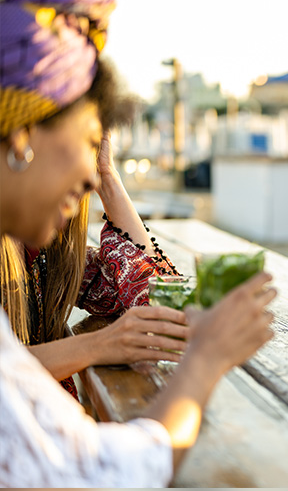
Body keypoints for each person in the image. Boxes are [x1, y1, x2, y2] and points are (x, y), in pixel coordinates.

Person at [0, 0, 276, 487]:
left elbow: (148, 292)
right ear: (22, 136)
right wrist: (200, 362)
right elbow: (108, 474)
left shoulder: (43, 248)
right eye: (88, 143)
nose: (92, 169)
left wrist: (109, 177)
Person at [1, 129, 184, 400]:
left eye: (95, 146)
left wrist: (109, 179)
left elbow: (161, 303)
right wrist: (97, 346)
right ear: (22, 142)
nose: (90, 177)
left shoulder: (47, 252)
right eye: (85, 140)